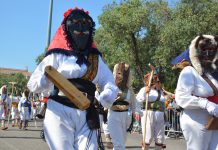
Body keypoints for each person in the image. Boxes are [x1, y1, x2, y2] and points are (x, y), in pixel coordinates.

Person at [27, 7, 118, 150]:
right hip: (59, 110)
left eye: (85, 25)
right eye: (76, 24)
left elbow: (109, 82)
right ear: (67, 29)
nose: (81, 30)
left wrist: (105, 96)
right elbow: (33, 84)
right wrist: (47, 78)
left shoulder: (96, 58)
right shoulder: (56, 56)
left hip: (87, 111)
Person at [175, 34, 218, 150]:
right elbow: (181, 97)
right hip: (195, 121)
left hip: (214, 121)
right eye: (204, 50)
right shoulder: (188, 71)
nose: (208, 53)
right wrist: (206, 103)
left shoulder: (212, 75)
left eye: (211, 50)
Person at [107, 62, 136, 150]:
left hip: (126, 117)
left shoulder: (129, 89)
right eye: (120, 72)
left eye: (125, 72)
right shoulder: (110, 87)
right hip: (114, 115)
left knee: (122, 142)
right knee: (118, 144)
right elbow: (104, 102)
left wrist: (136, 112)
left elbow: (134, 103)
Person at [136, 73, 166, 150]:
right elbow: (138, 100)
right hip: (148, 114)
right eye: (156, 80)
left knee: (159, 138)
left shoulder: (160, 92)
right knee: (147, 137)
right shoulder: (144, 89)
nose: (158, 82)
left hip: (160, 116)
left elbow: (163, 103)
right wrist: (138, 112)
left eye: (158, 81)